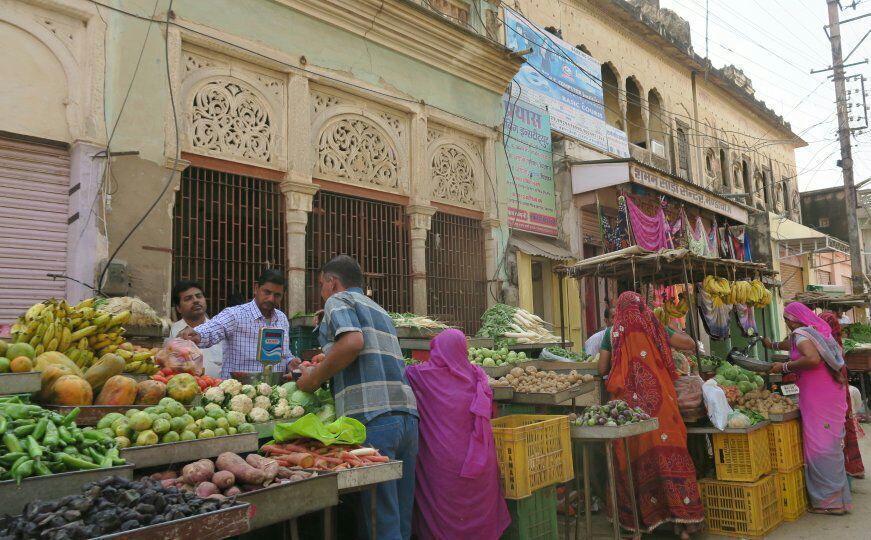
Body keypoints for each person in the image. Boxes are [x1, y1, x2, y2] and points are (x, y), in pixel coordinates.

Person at [296, 255, 418, 540]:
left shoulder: (337, 300)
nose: (322, 294)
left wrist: (313, 379)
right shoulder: (380, 310)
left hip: (374, 419)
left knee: (380, 520)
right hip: (407, 419)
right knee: (399, 517)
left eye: (321, 287)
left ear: (332, 282)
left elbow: (352, 342)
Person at [597, 291, 704, 538]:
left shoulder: (611, 333)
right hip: (661, 406)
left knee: (629, 456)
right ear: (642, 307)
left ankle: (638, 524)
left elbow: (602, 368)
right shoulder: (653, 324)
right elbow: (688, 344)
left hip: (628, 411)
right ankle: (682, 522)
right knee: (672, 451)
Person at [404, 329, 509, 540]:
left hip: (443, 465)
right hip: (480, 463)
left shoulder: (422, 376)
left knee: (444, 520)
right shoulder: (477, 375)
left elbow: (397, 371)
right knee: (478, 519)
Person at [764, 302, 852, 514]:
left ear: (792, 320)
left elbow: (811, 358)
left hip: (819, 395)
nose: (786, 324)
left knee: (820, 447)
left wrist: (784, 366)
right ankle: (836, 498)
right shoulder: (814, 331)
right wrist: (773, 345)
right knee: (830, 446)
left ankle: (830, 503)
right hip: (829, 392)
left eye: (786, 320)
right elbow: (797, 347)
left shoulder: (801, 334)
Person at [178, 269, 296, 379]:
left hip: (274, 391)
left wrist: (290, 361)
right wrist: (197, 334)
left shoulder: (282, 318)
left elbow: (284, 352)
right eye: (267, 292)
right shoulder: (235, 315)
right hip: (237, 394)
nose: (271, 298)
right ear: (256, 288)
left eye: (277, 295)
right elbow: (214, 327)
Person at [820, 311, 864, 479]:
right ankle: (854, 467)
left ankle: (842, 470)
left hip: (835, 394)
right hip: (841, 392)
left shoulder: (828, 345)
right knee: (845, 428)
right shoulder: (836, 342)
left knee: (837, 432)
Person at [170, 280, 223, 378]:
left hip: (216, 390)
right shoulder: (170, 332)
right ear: (178, 308)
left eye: (199, 296)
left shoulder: (219, 331)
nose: (195, 300)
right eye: (188, 298)